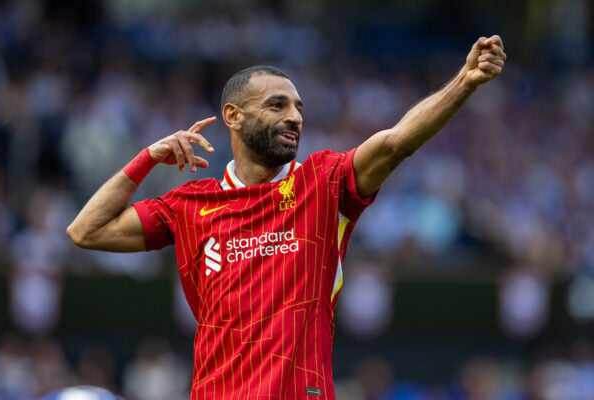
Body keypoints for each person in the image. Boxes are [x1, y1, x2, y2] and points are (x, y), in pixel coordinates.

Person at [67, 35, 506, 399]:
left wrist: (464, 83)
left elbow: (394, 144)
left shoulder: (323, 183)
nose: (295, 117)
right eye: (278, 105)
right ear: (233, 117)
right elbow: (86, 230)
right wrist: (147, 158)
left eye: (298, 107)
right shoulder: (189, 205)